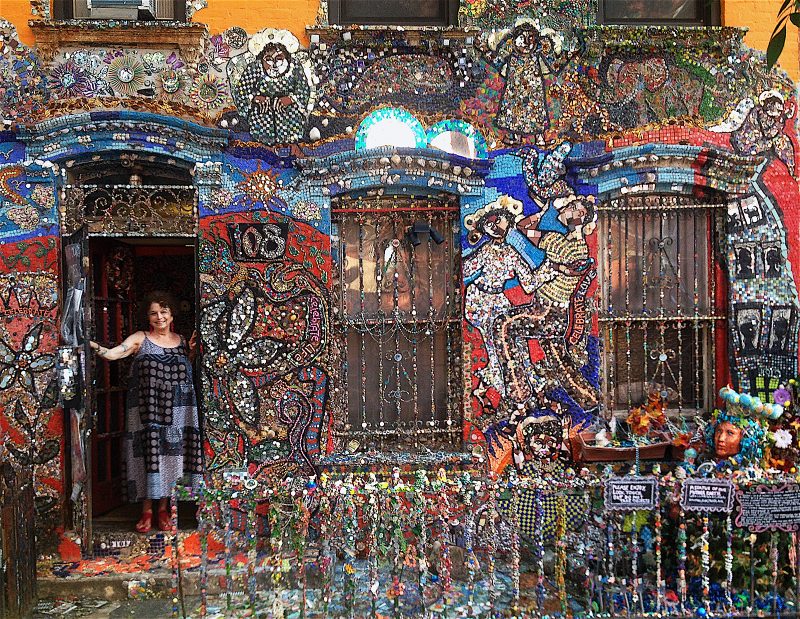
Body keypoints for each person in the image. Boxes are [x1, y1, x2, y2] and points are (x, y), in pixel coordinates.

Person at [89, 291, 202, 533]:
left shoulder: (182, 341)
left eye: (164, 312)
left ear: (172, 314)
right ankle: (147, 510)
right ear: (147, 317)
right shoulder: (141, 338)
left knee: (172, 459)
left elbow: (186, 370)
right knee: (148, 458)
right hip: (147, 413)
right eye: (153, 313)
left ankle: (164, 509)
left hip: (178, 413)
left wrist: (191, 353)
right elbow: (113, 353)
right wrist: (91, 345)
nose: (159, 317)